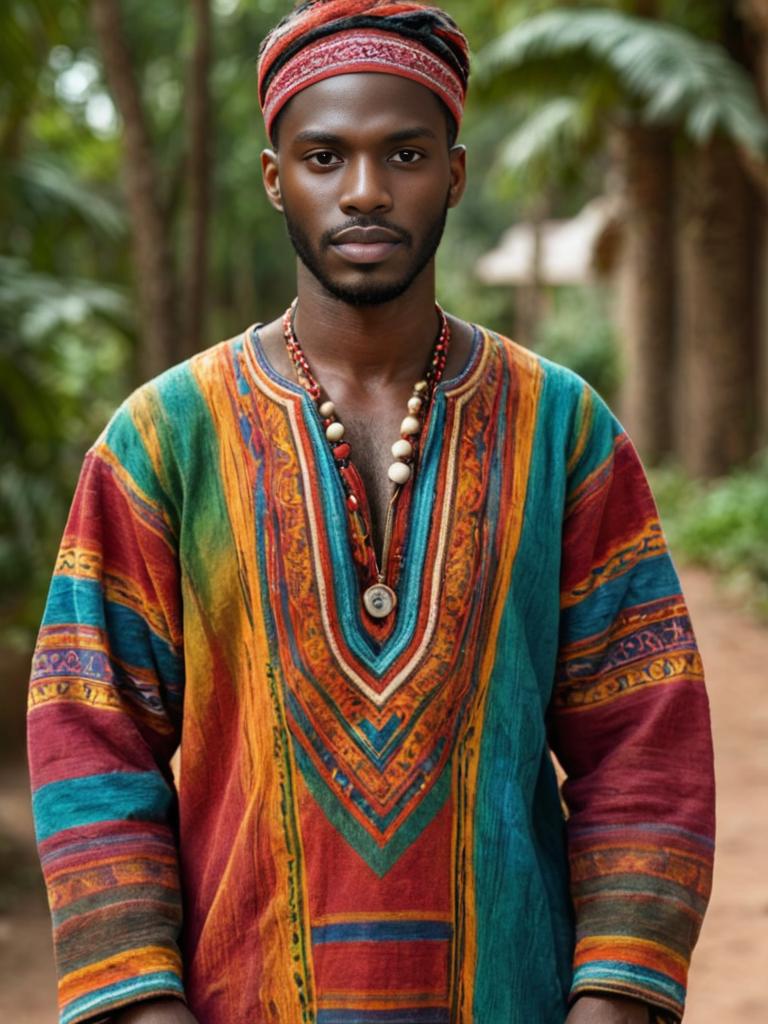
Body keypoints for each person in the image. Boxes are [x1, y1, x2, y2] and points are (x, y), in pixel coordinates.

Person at [27, 2, 715, 1023]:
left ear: (456, 173)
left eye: (403, 152)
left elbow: (645, 736)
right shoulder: (164, 441)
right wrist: (142, 1003)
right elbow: (91, 737)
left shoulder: (563, 430)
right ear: (275, 179)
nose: (363, 191)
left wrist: (616, 996)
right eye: (322, 156)